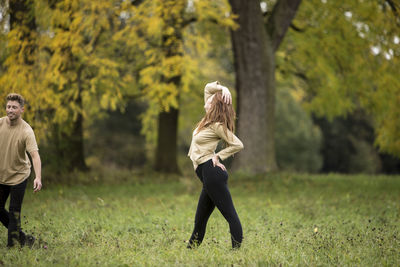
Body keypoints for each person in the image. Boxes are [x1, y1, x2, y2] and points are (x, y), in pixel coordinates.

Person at [187, 81, 244, 249]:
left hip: (212, 174)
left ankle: (236, 253)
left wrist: (219, 156)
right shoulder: (207, 119)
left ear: (214, 106)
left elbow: (238, 144)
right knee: (200, 219)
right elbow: (207, 88)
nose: (206, 102)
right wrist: (223, 88)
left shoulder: (217, 125)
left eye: (209, 101)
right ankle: (190, 252)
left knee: (229, 214)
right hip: (207, 175)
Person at [0, 93, 42, 247]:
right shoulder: (0, 124)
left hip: (19, 176)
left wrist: (38, 177)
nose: (10, 110)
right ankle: (24, 238)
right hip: (2, 176)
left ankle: (12, 247)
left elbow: (35, 156)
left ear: (21, 110)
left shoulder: (26, 131)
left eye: (14, 107)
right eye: (8, 107)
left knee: (14, 212)